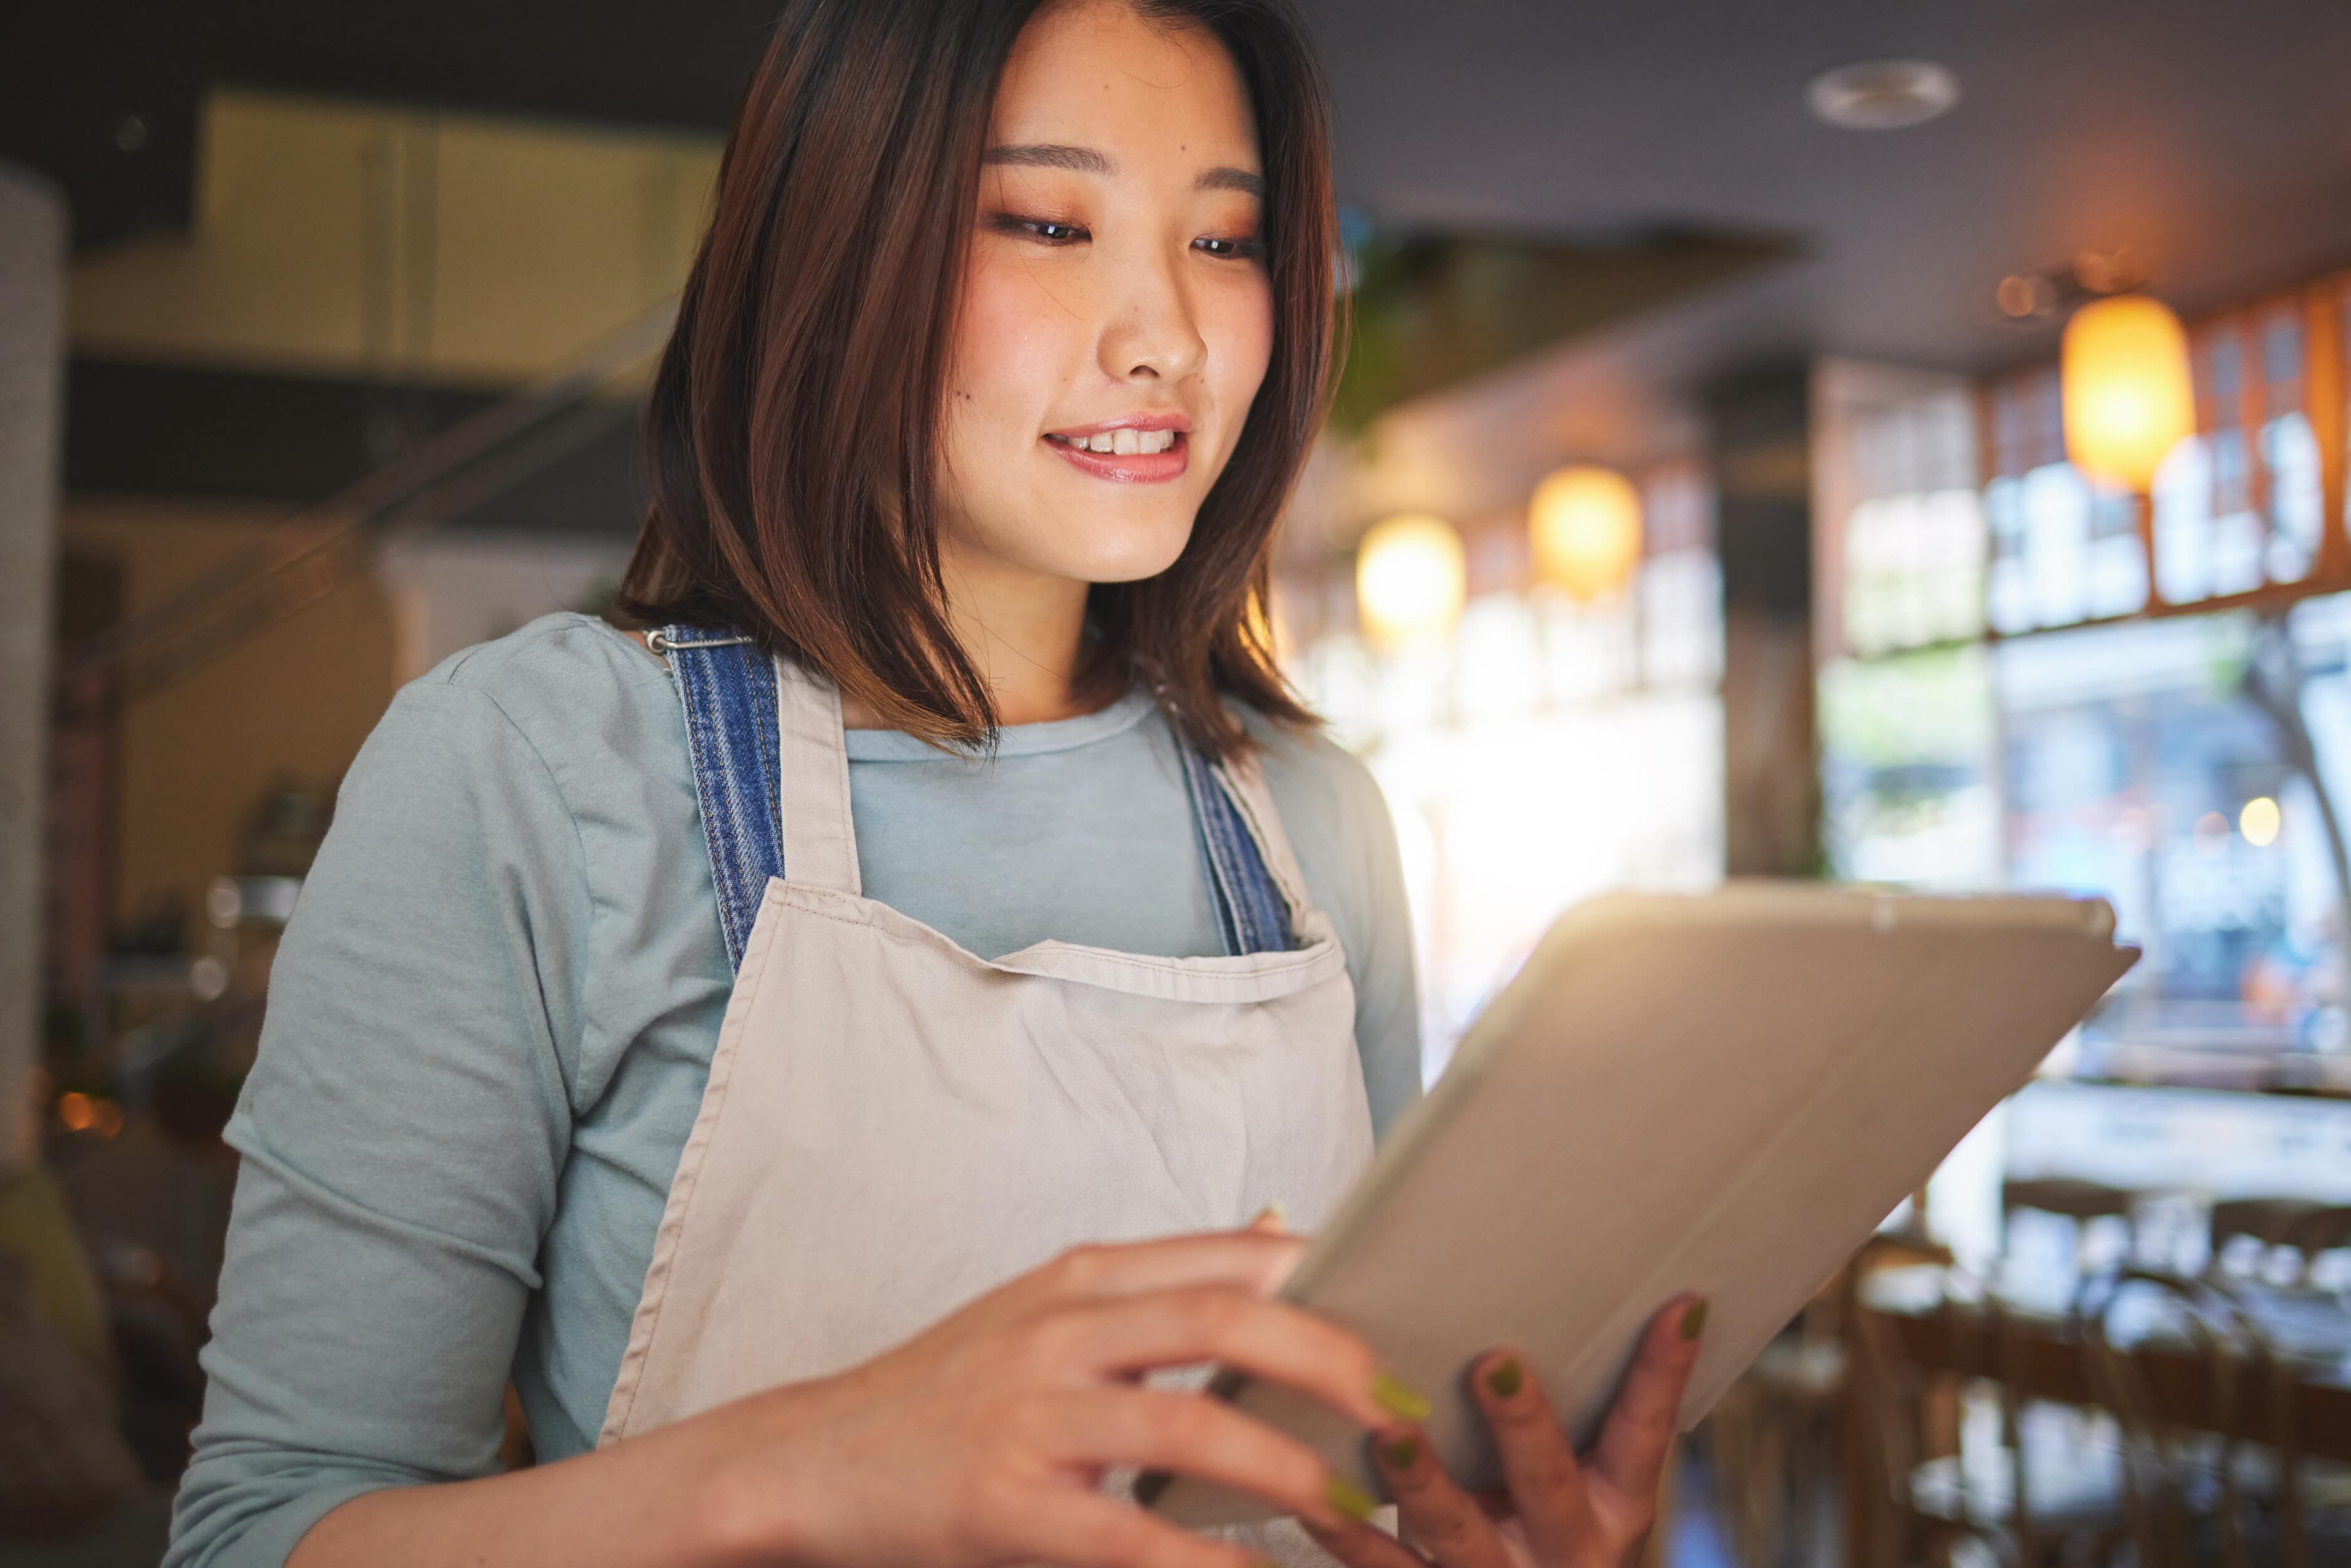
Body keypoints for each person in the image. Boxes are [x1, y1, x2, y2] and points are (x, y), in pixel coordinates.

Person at [166, 3, 1705, 1566]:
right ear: (835, 252)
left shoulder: (1313, 824)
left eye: (1226, 242)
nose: (1163, 333)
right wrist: (807, 1460)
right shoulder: (535, 771)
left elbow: (1361, 1448)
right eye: (1047, 220)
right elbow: (260, 1529)